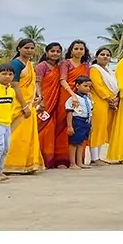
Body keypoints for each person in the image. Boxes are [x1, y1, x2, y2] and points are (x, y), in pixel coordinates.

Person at [3, 39, 44, 175]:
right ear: (19, 49)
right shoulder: (16, 64)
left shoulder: (30, 65)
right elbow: (15, 86)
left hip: (29, 103)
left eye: (32, 48)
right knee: (16, 136)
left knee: (27, 136)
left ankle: (27, 164)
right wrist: (24, 105)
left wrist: (37, 97)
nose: (29, 50)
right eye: (26, 47)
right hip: (19, 104)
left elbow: (31, 84)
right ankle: (10, 164)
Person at [55, 40, 92, 168]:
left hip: (82, 98)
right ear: (71, 50)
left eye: (81, 49)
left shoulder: (85, 66)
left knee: (79, 131)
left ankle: (78, 161)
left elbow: (87, 83)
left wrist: (88, 93)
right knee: (64, 127)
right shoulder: (66, 63)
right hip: (67, 96)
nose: (79, 51)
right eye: (76, 48)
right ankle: (62, 160)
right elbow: (62, 80)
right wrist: (72, 94)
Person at [35, 42, 64, 169]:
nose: (55, 54)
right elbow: (37, 83)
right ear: (47, 53)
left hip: (55, 103)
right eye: (52, 51)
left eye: (58, 51)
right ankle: (39, 159)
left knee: (51, 131)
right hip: (44, 102)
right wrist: (40, 99)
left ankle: (49, 161)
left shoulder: (59, 67)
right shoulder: (42, 66)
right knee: (42, 130)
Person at [88, 47, 117, 166]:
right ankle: (94, 158)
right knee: (97, 129)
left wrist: (115, 99)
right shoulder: (94, 69)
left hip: (108, 103)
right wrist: (110, 99)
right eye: (102, 54)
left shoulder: (109, 72)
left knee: (102, 129)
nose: (105, 56)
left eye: (107, 55)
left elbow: (115, 86)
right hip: (98, 101)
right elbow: (98, 86)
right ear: (96, 56)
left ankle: (98, 157)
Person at [0, 64, 17, 183]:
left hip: (7, 123)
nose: (7, 77)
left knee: (6, 148)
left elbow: (11, 106)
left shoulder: (12, 91)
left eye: (10, 74)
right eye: (4, 74)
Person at [65, 75, 93, 170]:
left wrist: (90, 124)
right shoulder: (73, 98)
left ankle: (79, 162)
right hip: (77, 121)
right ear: (77, 85)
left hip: (86, 122)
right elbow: (69, 112)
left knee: (81, 142)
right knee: (73, 143)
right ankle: (72, 163)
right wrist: (70, 126)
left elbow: (91, 112)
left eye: (89, 86)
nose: (88, 88)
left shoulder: (88, 98)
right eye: (85, 86)